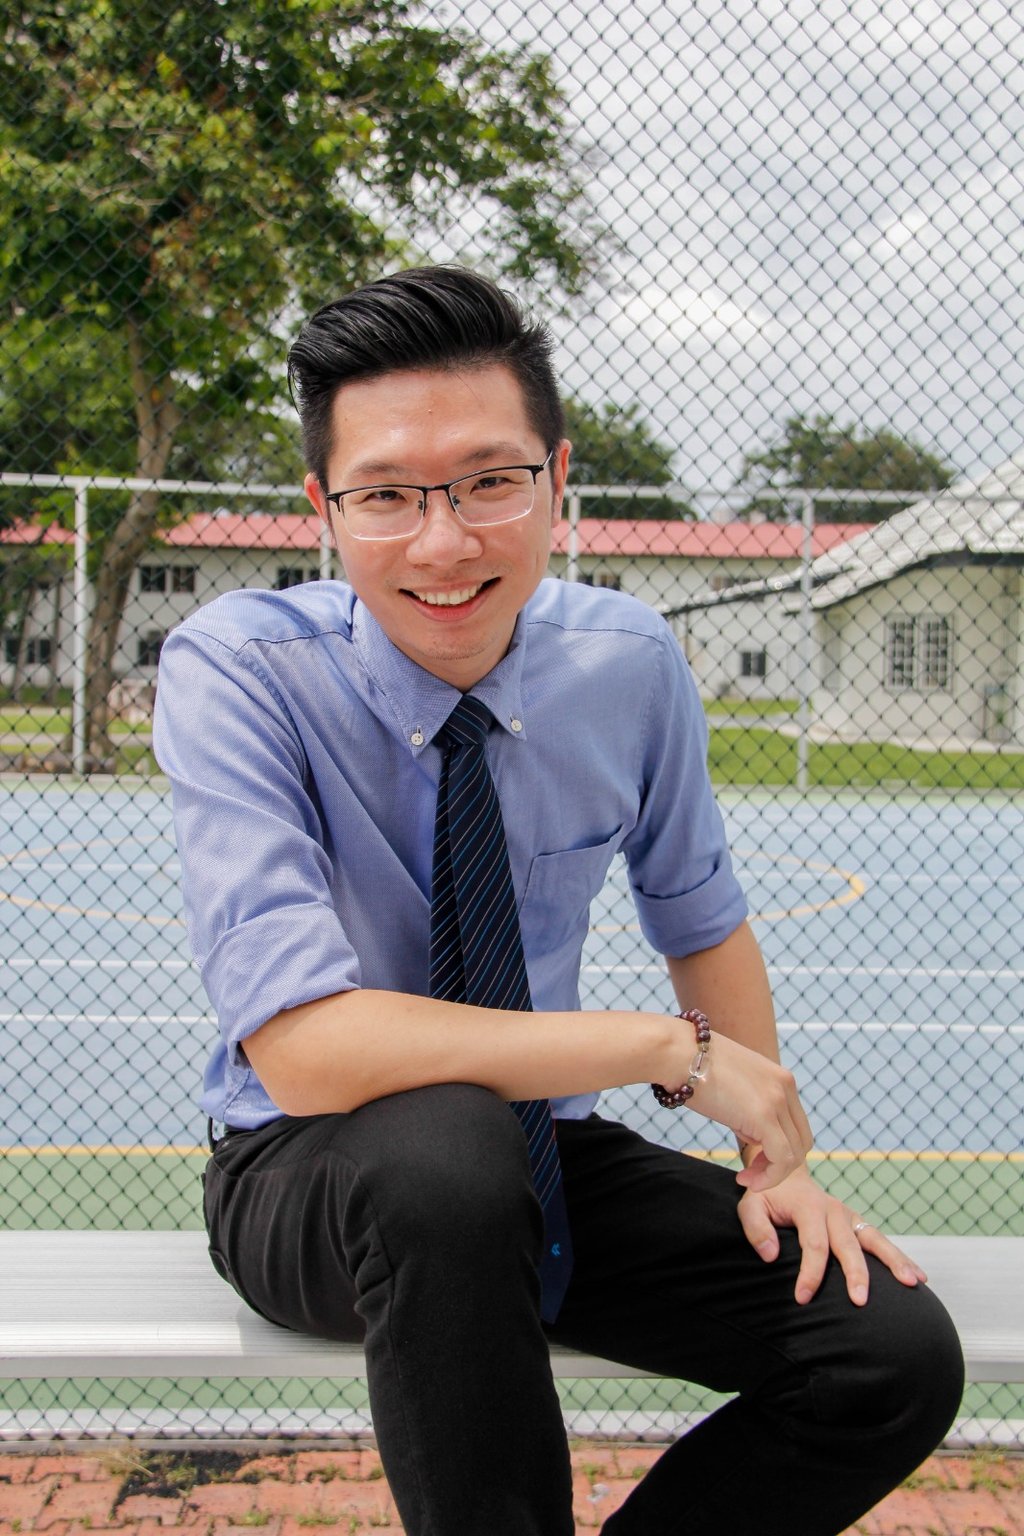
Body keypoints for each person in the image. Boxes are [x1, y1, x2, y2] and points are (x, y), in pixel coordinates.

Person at [154, 265, 963, 1536]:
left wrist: (777, 1165)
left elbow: (699, 917)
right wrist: (670, 1051)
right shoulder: (241, 672)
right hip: (305, 1171)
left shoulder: (627, 665)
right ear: (324, 509)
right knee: (444, 1157)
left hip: (537, 1156)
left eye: (489, 481)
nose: (443, 543)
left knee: (884, 1351)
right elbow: (306, 1050)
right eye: (387, 495)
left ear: (556, 480)